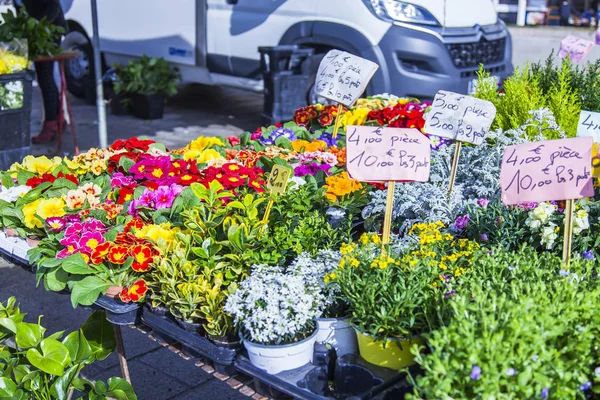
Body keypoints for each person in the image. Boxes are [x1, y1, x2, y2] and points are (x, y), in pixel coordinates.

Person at [14, 0, 66, 144]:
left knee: (45, 78)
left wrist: (38, 26)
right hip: (36, 33)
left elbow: (53, 7)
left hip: (49, 32)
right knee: (46, 78)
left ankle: (51, 124)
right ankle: (57, 118)